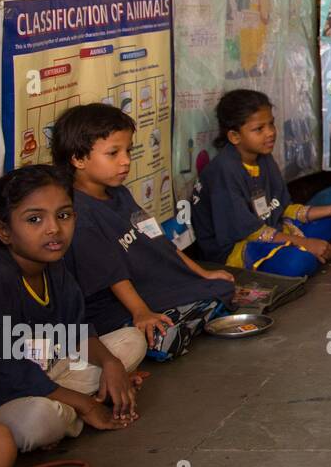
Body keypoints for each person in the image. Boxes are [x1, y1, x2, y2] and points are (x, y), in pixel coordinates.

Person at [53, 105, 234, 360]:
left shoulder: (119, 193)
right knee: (156, 332)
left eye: (128, 151)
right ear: (78, 159)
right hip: (114, 305)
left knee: (220, 285)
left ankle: (180, 320)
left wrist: (203, 273)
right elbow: (111, 275)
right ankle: (167, 328)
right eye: (113, 153)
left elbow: (158, 240)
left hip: (152, 286)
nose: (125, 161)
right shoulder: (78, 214)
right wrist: (141, 312)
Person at [0, 166, 145, 453]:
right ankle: (79, 406)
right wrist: (86, 405)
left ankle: (75, 401)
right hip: (1, 396)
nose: (54, 229)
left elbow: (77, 331)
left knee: (131, 341)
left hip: (48, 374)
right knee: (41, 419)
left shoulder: (54, 267)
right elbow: (7, 372)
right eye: (35, 219)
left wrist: (111, 364)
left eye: (64, 215)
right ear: (4, 231)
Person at [192, 90, 331, 276]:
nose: (270, 133)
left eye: (271, 124)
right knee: (298, 262)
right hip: (237, 248)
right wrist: (306, 243)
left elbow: (283, 209)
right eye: (259, 129)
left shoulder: (263, 157)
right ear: (234, 136)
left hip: (271, 230)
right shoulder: (224, 171)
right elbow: (248, 232)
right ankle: (326, 254)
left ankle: (315, 251)